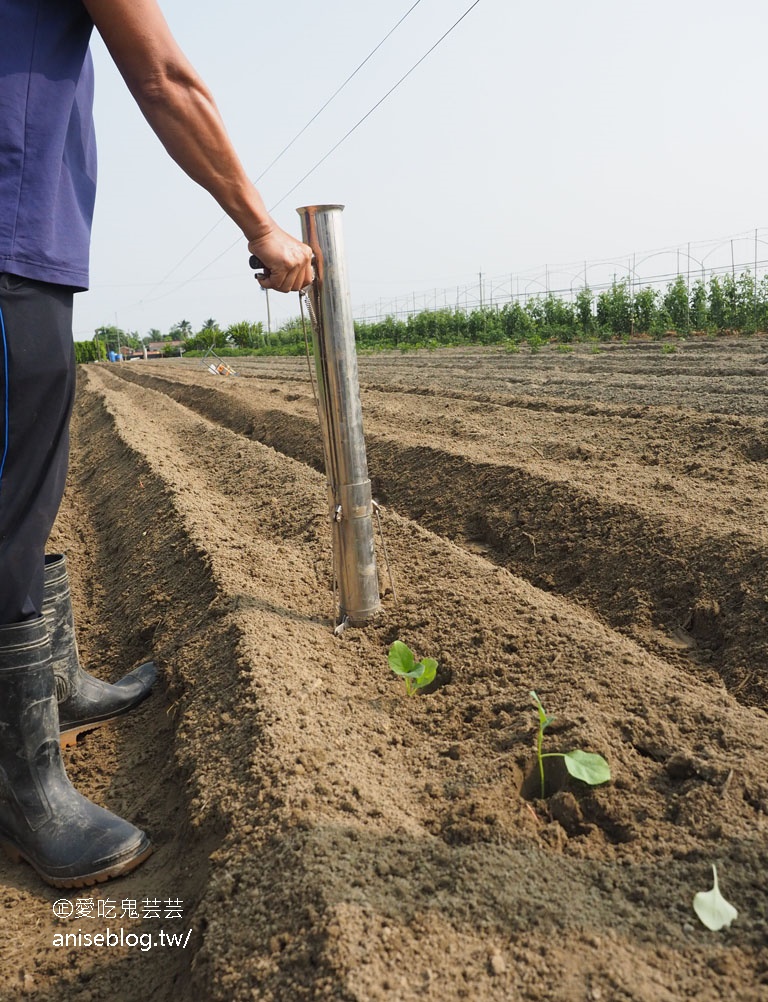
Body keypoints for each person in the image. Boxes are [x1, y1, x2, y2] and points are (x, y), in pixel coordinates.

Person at [0, 0, 313, 888]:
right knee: (5, 502)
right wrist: (259, 222)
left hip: (29, 247)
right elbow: (165, 74)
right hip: (8, 243)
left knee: (28, 474)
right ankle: (23, 785)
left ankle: (52, 689)